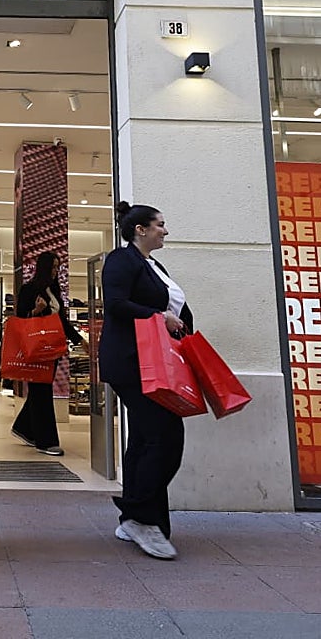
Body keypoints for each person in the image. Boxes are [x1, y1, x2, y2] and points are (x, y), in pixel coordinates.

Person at [98, 201, 193, 560]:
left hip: (157, 362)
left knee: (144, 438)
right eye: (160, 225)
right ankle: (141, 515)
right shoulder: (122, 260)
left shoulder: (153, 265)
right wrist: (160, 316)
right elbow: (117, 304)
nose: (165, 231)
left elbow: (175, 310)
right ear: (140, 229)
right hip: (132, 362)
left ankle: (136, 518)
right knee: (164, 438)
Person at [10, 251, 85, 456]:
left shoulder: (53, 291)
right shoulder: (29, 290)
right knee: (42, 392)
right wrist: (35, 312)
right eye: (52, 267)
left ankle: (24, 428)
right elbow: (21, 319)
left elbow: (62, 321)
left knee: (39, 391)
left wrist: (79, 340)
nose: (55, 272)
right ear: (43, 268)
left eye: (57, 267)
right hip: (36, 350)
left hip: (51, 350)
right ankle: (46, 441)